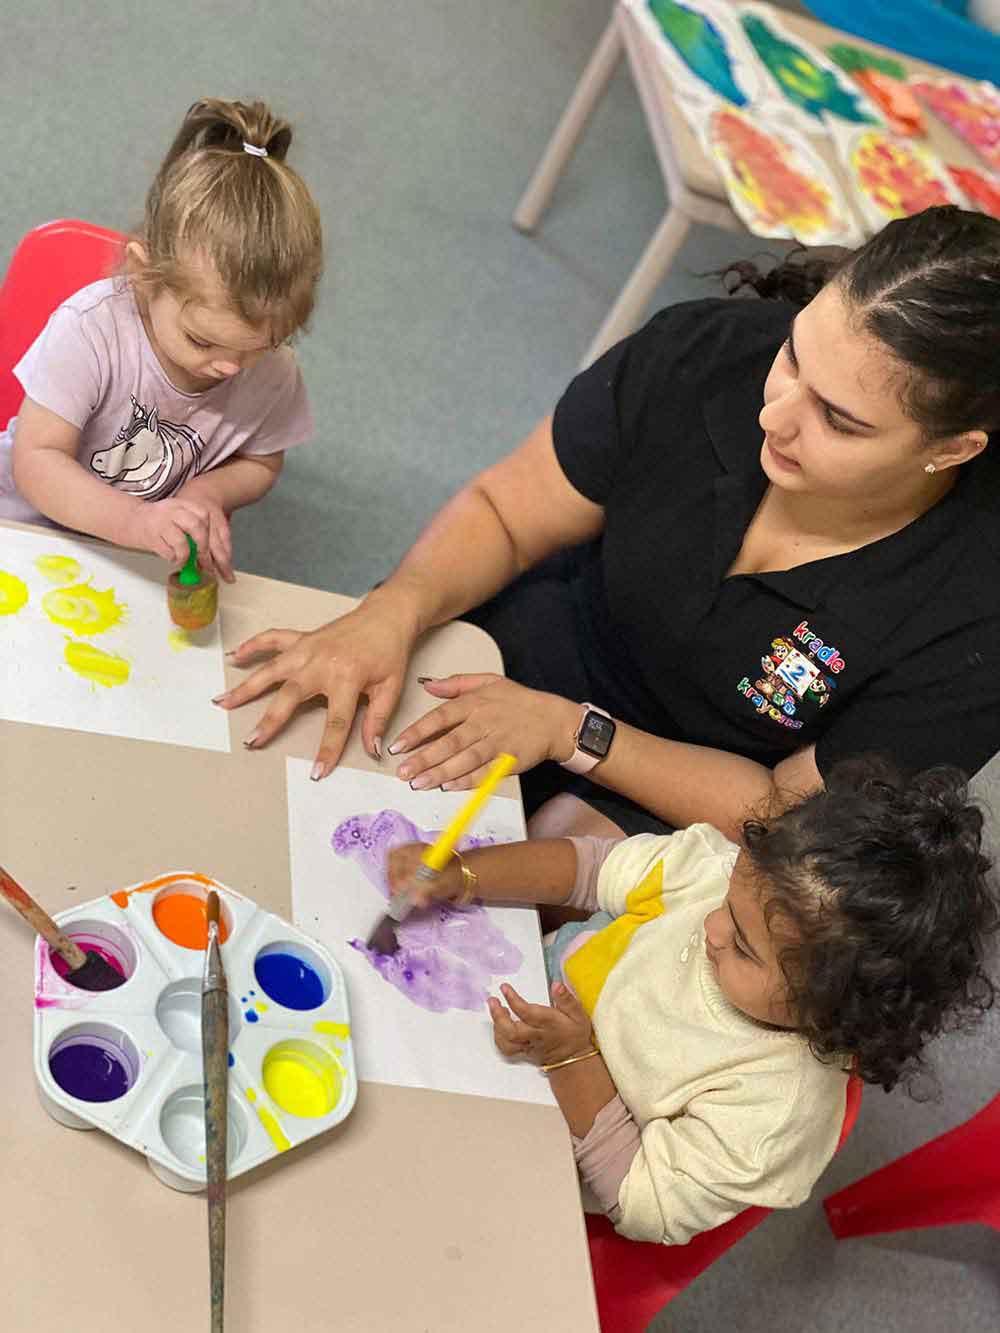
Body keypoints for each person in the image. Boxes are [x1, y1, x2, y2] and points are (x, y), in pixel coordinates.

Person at [217, 206, 1000, 841]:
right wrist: (391, 610)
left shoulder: (973, 618)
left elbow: (786, 815)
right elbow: (506, 511)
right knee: (309, 767)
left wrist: (574, 734)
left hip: (690, 790)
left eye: (839, 419)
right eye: (795, 357)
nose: (777, 414)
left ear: (952, 448)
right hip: (537, 637)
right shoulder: (707, 354)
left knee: (525, 908)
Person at [386, 757, 998, 1243]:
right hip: (484, 1026)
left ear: (832, 1012)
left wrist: (571, 1060)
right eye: (727, 905)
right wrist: (465, 875)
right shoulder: (725, 879)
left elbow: (643, 1204)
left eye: (745, 948)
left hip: (539, 1152)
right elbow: (595, 869)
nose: (710, 929)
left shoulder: (775, 1111)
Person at [0, 97, 322, 582]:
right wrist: (133, 520)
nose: (232, 368)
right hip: (22, 526)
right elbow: (36, 460)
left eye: (261, 345)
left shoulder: (274, 372)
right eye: (201, 341)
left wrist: (207, 493)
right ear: (144, 276)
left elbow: (262, 461)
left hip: (131, 557)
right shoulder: (91, 330)